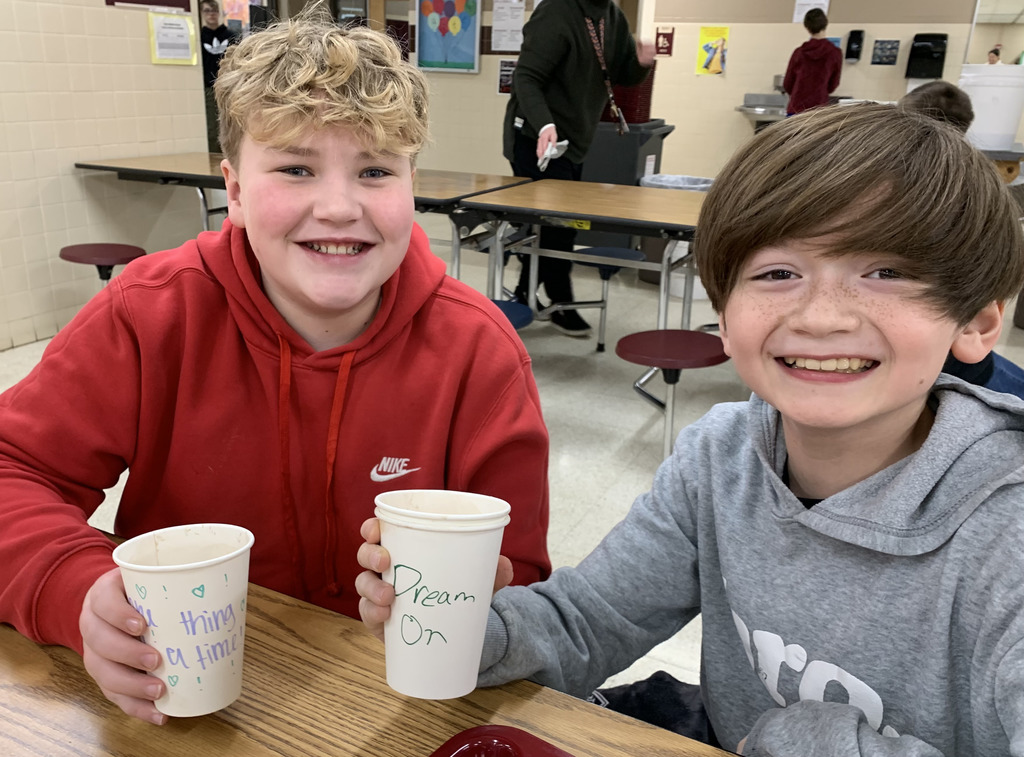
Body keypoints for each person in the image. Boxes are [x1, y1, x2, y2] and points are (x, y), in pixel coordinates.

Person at [357, 104, 1024, 755]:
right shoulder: (721, 457)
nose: (823, 317)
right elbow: (590, 620)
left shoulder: (1006, 535)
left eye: (886, 272)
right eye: (779, 273)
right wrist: (464, 629)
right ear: (725, 319)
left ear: (977, 321)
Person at [0, 7, 551, 727]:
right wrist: (73, 589)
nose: (338, 206)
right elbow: (14, 467)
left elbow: (523, 577)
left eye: (375, 170)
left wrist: (493, 594)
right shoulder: (150, 315)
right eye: (295, 167)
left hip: (396, 707)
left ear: (413, 184)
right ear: (232, 189)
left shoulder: (479, 352)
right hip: (179, 705)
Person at [502, 0, 655, 337]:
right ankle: (561, 301)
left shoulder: (611, 16)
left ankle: (525, 294)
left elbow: (621, 73)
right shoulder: (556, 11)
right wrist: (544, 124)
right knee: (557, 226)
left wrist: (643, 62)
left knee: (554, 225)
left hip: (572, 140)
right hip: (536, 139)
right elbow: (526, 77)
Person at [900, 80, 1024, 400]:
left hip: (938, 369)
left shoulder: (886, 195)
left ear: (903, 116)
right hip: (975, 363)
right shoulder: (989, 196)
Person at [783, 8, 842, 116]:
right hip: (818, 111)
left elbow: (787, 83)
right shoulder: (835, 53)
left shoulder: (799, 53)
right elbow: (833, 84)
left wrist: (799, 93)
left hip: (796, 108)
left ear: (807, 27)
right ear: (825, 25)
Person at [200, 0, 237, 152]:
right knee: (212, 128)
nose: (211, 14)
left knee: (231, 124)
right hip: (209, 88)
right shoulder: (200, 37)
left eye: (214, 11)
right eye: (207, 11)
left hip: (229, 87)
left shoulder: (230, 36)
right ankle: (214, 158)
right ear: (202, 13)